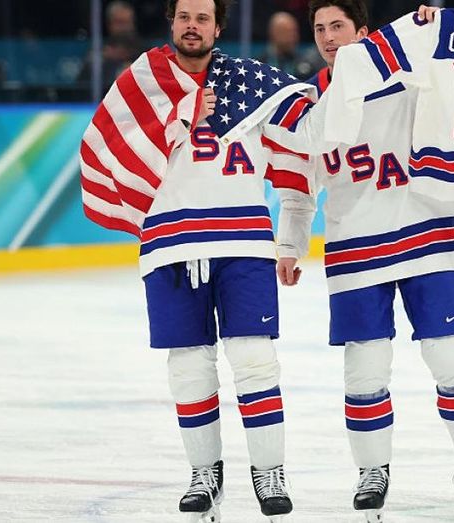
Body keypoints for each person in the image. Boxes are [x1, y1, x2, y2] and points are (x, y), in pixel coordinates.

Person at [78, 0, 316, 520]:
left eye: (202, 17)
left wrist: (292, 239)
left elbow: (299, 154)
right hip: (171, 243)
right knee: (188, 369)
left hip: (244, 241)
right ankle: (204, 475)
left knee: (255, 361)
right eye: (184, 16)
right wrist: (178, 114)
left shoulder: (253, 84)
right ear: (171, 21)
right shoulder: (140, 81)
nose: (192, 26)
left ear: (218, 26)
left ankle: (269, 472)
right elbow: (108, 147)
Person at [272, 1, 454, 520]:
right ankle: (372, 471)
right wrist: (289, 244)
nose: (327, 37)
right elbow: (300, 190)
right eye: (320, 28)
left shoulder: (417, 79)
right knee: (364, 372)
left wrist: (432, 24)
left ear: (365, 32)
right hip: (355, 248)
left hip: (427, 236)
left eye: (338, 26)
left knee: (451, 357)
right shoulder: (309, 107)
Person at [78, 1, 144, 90]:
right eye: (120, 22)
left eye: (128, 22)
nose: (125, 28)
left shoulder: (143, 53)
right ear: (110, 24)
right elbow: (82, 85)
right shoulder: (98, 54)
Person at [257, 11, 325, 80]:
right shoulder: (260, 66)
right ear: (273, 33)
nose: (293, 36)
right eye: (286, 31)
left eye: (294, 31)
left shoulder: (307, 65)